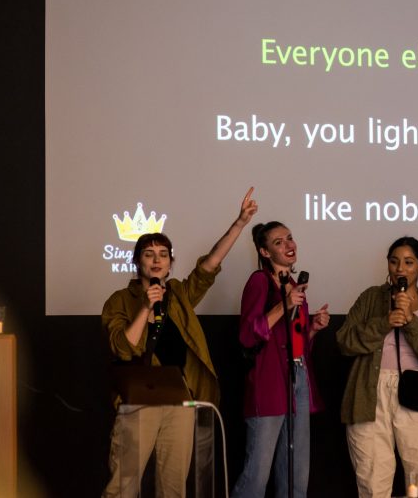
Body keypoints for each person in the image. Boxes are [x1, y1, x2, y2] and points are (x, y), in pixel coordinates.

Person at [101, 188, 258, 498]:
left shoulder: (179, 294)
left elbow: (210, 265)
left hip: (182, 402)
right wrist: (146, 307)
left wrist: (239, 223)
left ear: (171, 264)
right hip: (139, 403)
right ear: (137, 262)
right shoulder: (121, 300)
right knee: (123, 487)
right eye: (149, 254)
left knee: (173, 489)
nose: (157, 260)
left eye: (163, 255)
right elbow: (122, 346)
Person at [337, 236, 418, 498]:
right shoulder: (370, 297)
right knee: (372, 476)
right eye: (394, 262)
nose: (400, 268)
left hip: (416, 392)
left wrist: (411, 320)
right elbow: (344, 341)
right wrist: (384, 322)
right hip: (369, 392)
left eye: (409, 262)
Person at [231, 221, 331, 498]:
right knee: (256, 474)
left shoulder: (295, 286)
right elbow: (249, 335)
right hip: (269, 382)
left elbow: (295, 344)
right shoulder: (259, 281)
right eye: (279, 242)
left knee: (296, 472)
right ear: (264, 252)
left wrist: (312, 329)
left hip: (298, 376)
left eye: (290, 238)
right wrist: (283, 305)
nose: (289, 245)